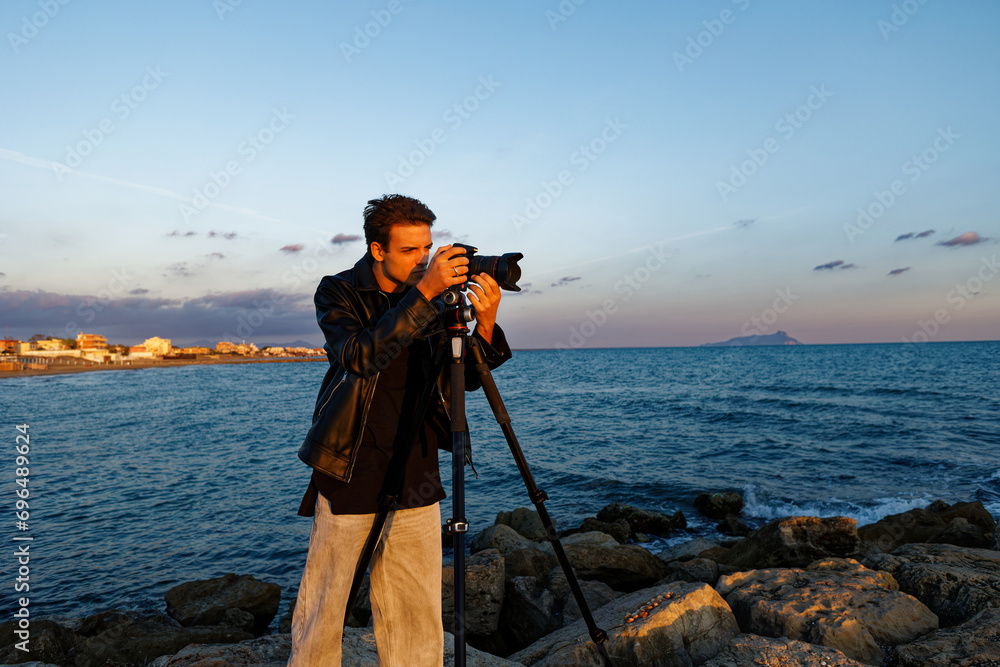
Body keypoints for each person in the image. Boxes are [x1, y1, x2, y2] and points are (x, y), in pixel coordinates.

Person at [287, 194, 512, 666]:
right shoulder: (339, 291)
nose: (423, 260)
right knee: (326, 606)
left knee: (416, 609)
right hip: (352, 462)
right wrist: (424, 293)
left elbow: (465, 376)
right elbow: (358, 357)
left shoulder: (434, 295)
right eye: (410, 251)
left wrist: (485, 324)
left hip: (418, 463)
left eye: (426, 249)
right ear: (377, 250)